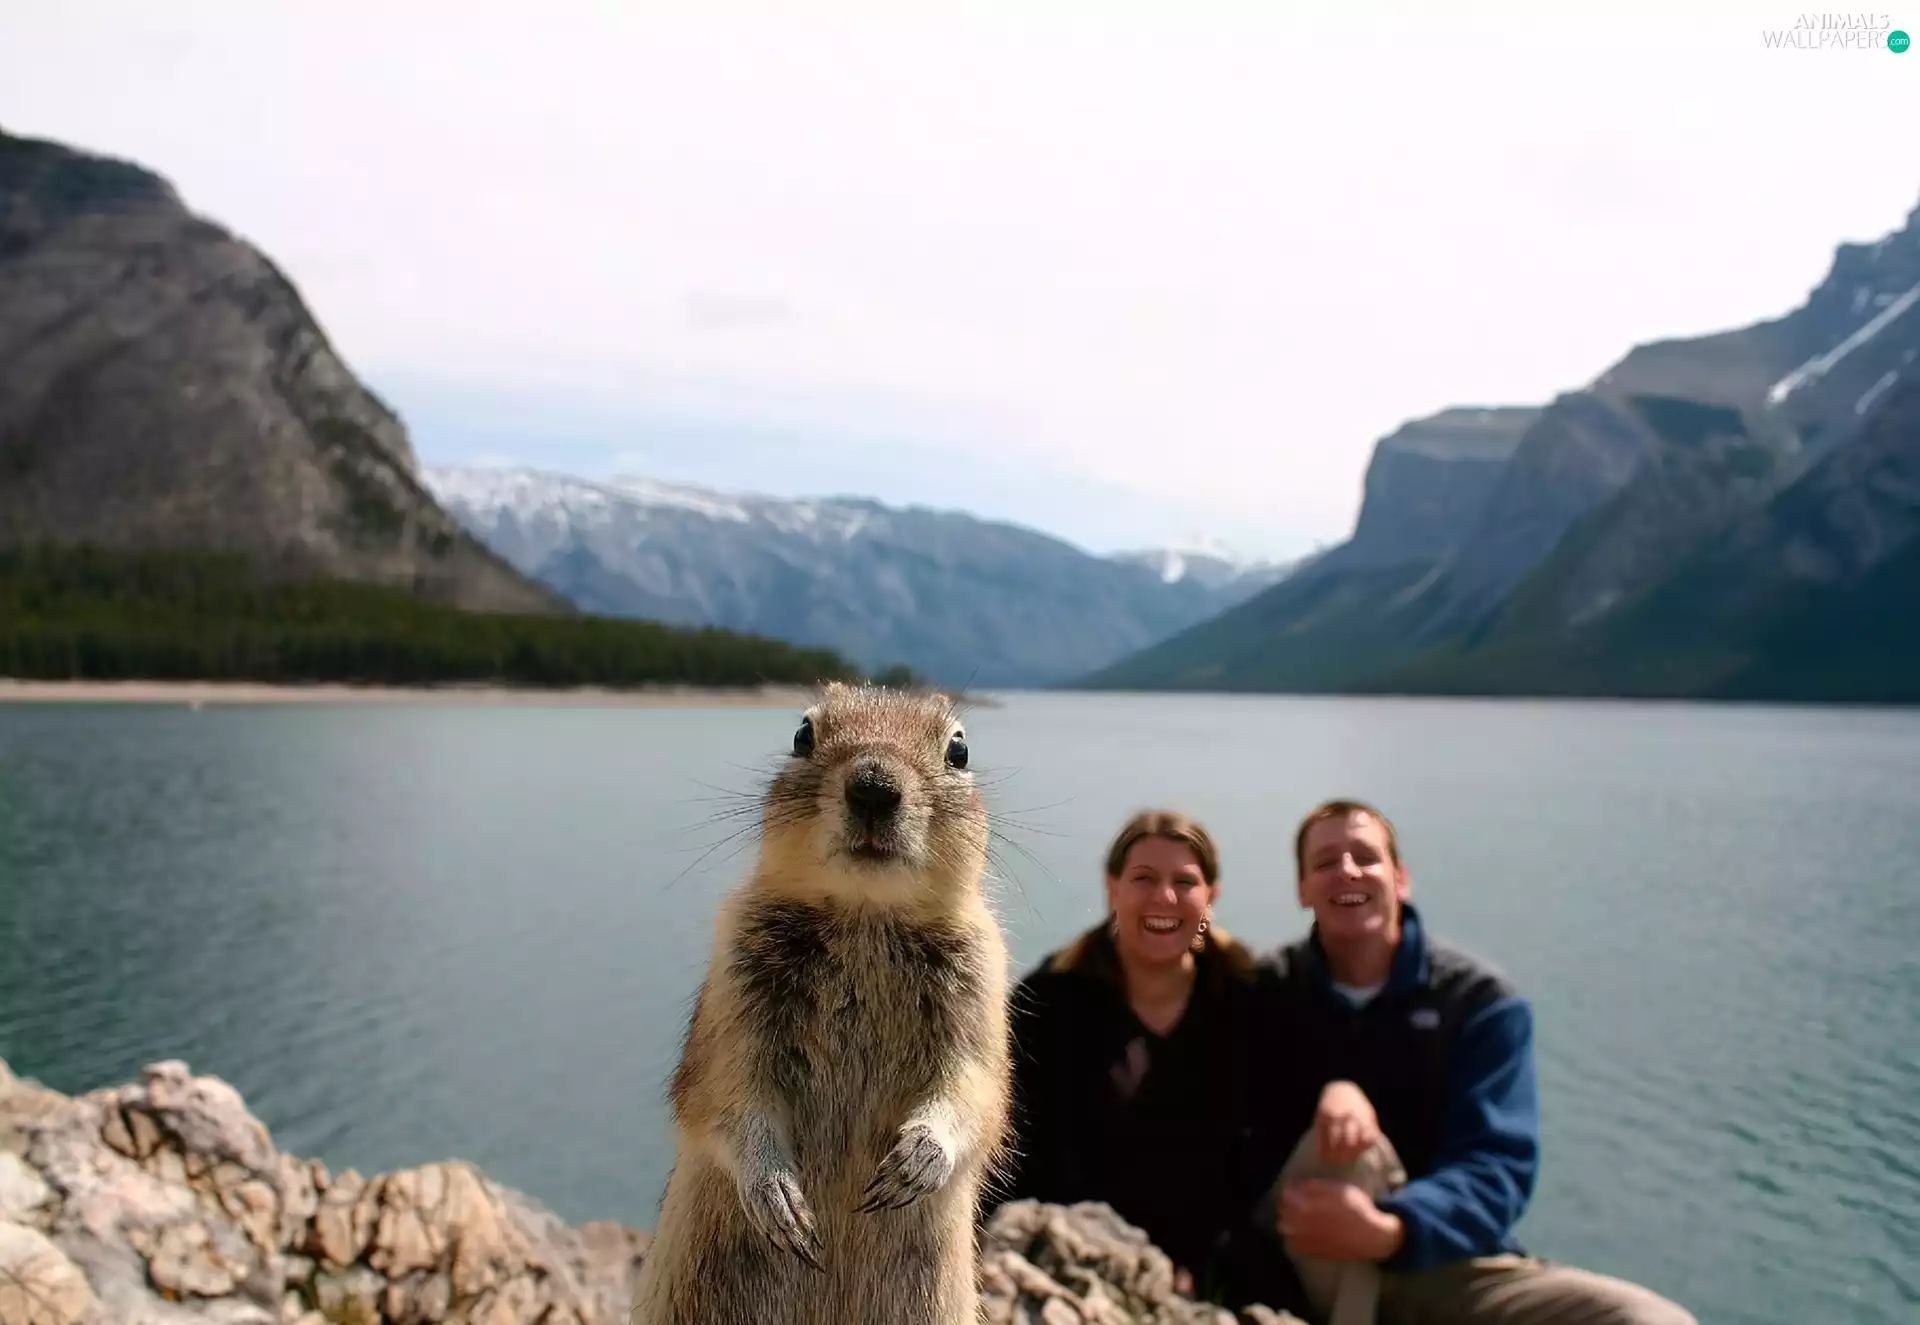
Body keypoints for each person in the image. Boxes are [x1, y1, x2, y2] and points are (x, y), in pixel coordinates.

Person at [1237, 798, 1698, 1325]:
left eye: (1365, 857)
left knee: (1650, 1320)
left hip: (1437, 1266)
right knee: (1347, 1153)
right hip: (1300, 1257)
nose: (1347, 870)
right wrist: (1336, 1094)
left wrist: (1392, 1230)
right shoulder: (1265, 990)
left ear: (1401, 878)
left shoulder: (1478, 1004)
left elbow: (1496, 1165)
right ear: (1302, 891)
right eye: (1324, 862)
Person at [993, 809, 1273, 1307]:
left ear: (1211, 897)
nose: (1164, 897)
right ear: (1113, 889)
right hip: (1078, 1253)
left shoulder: (1248, 997)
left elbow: (1262, 1152)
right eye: (1144, 878)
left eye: (1184, 881)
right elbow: (1021, 1152)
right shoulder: (1049, 1004)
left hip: (1220, 1265)